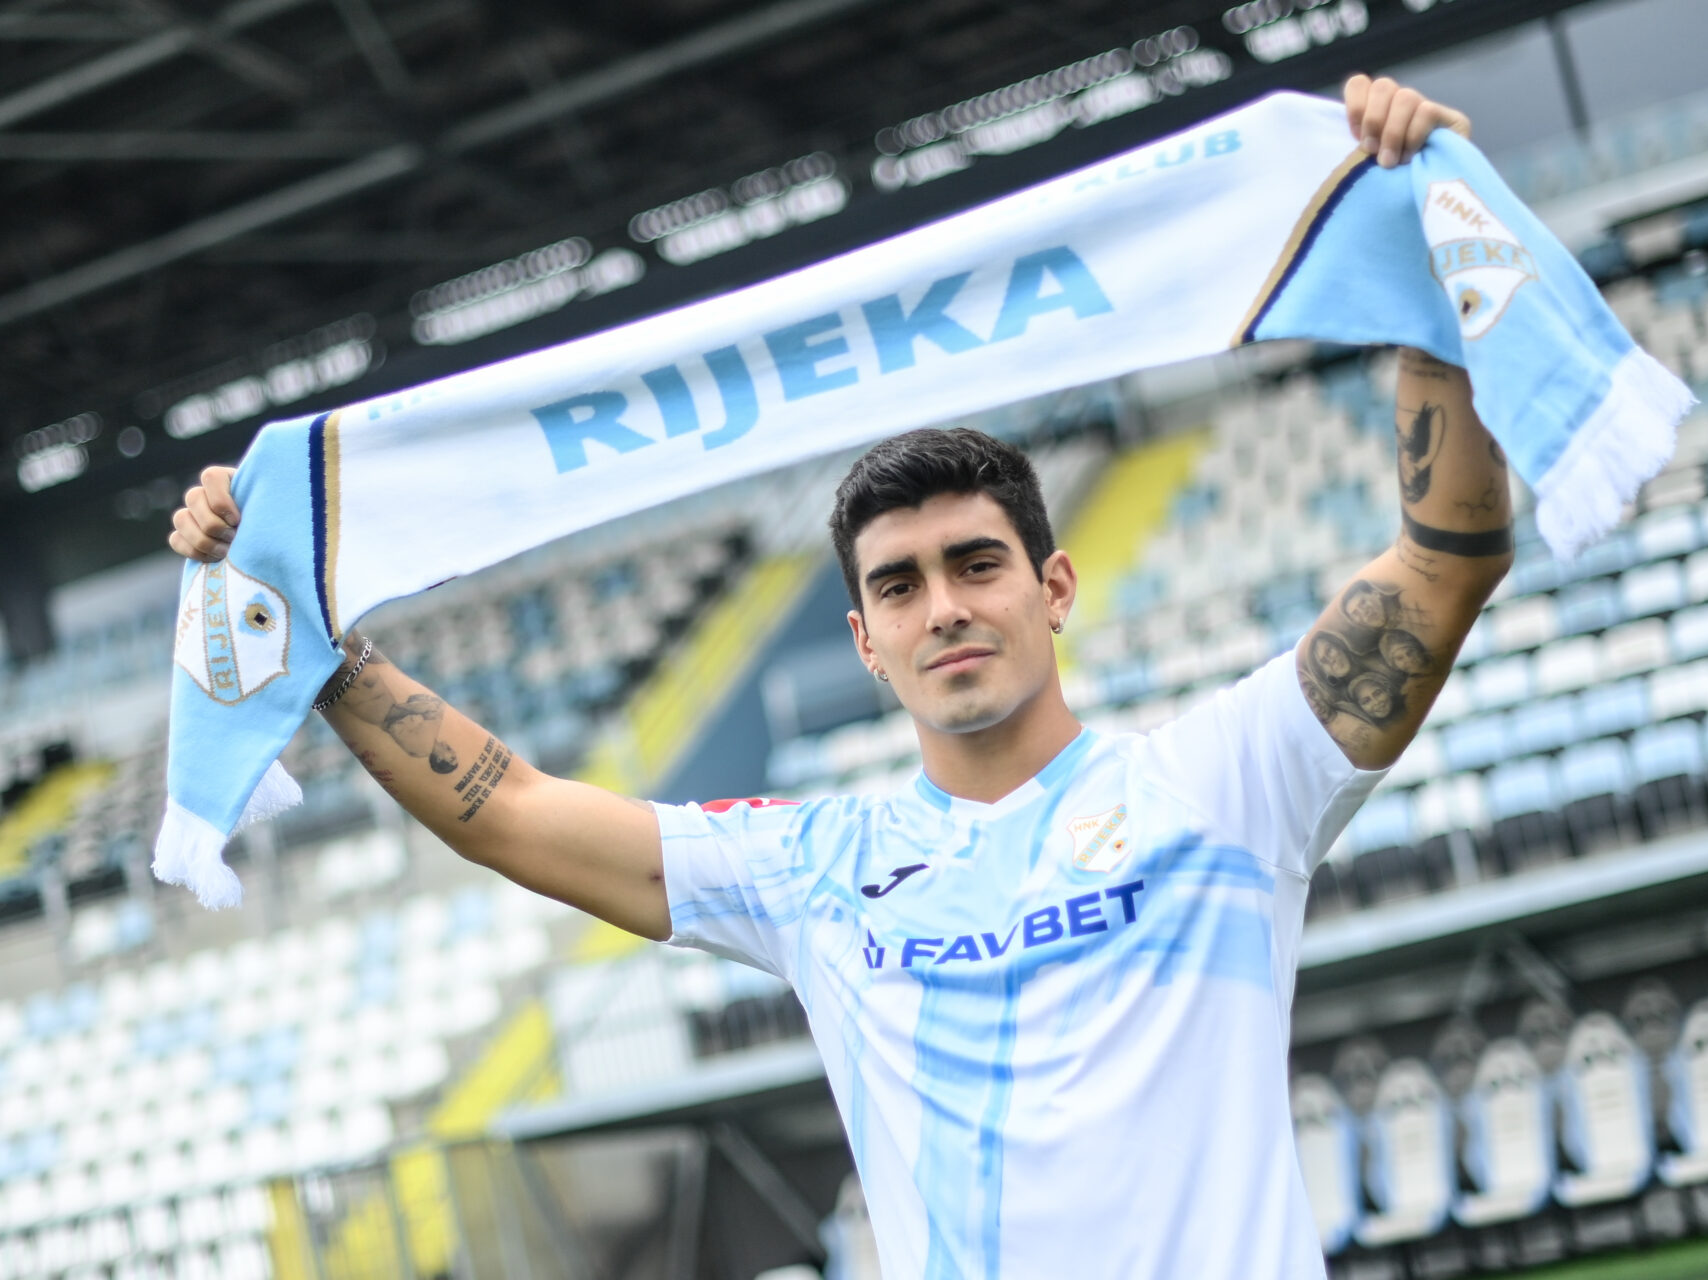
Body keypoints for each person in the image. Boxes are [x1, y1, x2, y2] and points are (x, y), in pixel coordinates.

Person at [172, 77, 1498, 1280]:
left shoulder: (1222, 779)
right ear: (865, 642)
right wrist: (305, 628)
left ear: (1054, 589)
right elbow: (508, 811)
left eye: (977, 564)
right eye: (899, 586)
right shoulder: (814, 868)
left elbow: (1447, 561)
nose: (945, 607)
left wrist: (1422, 278)